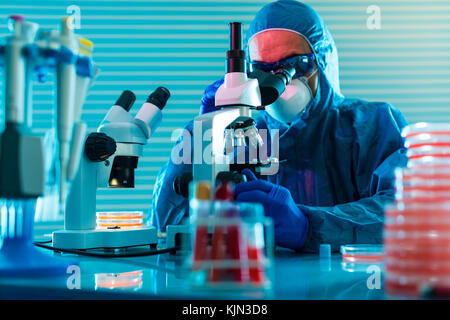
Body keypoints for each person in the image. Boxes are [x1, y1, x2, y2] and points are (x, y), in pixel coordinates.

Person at [150, 0, 408, 253]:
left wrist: (309, 226)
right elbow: (164, 228)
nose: (280, 83)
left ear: (322, 61)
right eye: (263, 70)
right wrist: (201, 138)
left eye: (294, 66)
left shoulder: (373, 125)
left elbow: (407, 212)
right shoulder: (244, 134)